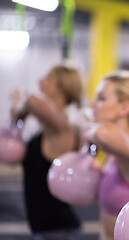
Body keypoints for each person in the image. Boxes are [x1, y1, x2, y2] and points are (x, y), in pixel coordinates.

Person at [11, 64, 83, 240]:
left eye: (48, 78)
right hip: (47, 230)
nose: (40, 81)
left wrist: (21, 107)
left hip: (59, 232)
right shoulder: (47, 130)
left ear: (62, 87)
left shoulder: (63, 129)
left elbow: (32, 101)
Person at [81, 70, 129, 240]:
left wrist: (88, 132)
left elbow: (102, 133)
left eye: (101, 98)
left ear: (124, 108)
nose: (92, 104)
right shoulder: (114, 150)